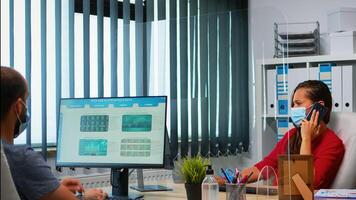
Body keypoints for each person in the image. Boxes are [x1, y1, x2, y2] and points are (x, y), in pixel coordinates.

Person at [0, 66, 107, 200]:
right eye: (26, 101)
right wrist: (85, 196)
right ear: (19, 106)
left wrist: (50, 187)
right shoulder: (22, 159)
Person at [240, 80, 345, 189]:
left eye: (298, 103)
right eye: (293, 104)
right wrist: (230, 180)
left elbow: (307, 182)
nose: (293, 108)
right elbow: (267, 166)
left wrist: (306, 139)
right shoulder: (292, 134)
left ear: (318, 106)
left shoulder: (333, 144)